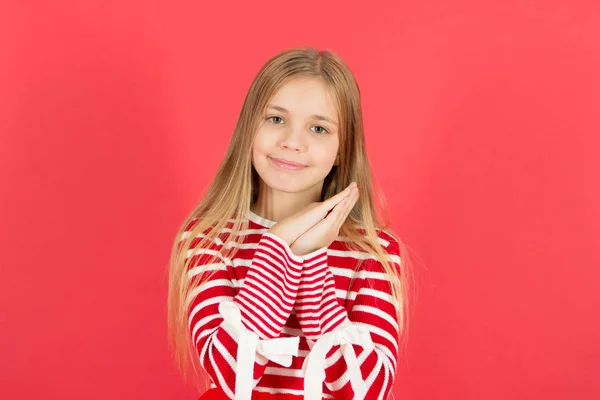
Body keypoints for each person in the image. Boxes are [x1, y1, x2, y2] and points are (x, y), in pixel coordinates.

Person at [167, 46, 412, 400]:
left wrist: (307, 257)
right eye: (276, 119)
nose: (292, 142)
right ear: (250, 127)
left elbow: (367, 391)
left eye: (318, 128)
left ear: (342, 148)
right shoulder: (208, 239)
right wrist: (277, 246)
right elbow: (229, 374)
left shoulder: (373, 251)